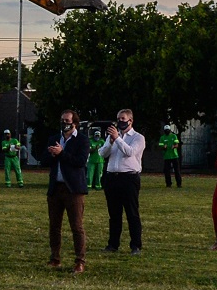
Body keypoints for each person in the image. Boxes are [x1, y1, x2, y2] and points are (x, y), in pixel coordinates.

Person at [43, 109, 89, 273]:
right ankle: (55, 258)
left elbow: (80, 162)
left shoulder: (82, 140)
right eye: (62, 120)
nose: (64, 124)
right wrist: (51, 155)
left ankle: (80, 261)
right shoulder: (54, 139)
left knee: (76, 226)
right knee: (54, 226)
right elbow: (44, 160)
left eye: (67, 121)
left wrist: (62, 154)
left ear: (75, 123)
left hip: (74, 189)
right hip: (56, 187)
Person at [99, 108, 146, 254]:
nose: (120, 121)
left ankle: (135, 245)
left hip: (129, 178)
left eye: (123, 119)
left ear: (130, 121)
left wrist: (118, 139)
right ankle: (113, 244)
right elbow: (102, 153)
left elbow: (130, 152)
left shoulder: (138, 137)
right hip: (112, 177)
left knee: (132, 212)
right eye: (118, 118)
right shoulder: (113, 136)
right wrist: (111, 142)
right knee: (114, 214)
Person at [159, 122, 183, 188]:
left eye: (168, 130)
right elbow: (161, 146)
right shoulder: (162, 138)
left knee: (177, 170)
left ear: (170, 130)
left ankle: (179, 184)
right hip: (167, 156)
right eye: (166, 130)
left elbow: (177, 144)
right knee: (167, 171)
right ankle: (168, 184)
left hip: (174, 156)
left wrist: (174, 146)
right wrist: (164, 147)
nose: (167, 131)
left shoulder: (174, 136)